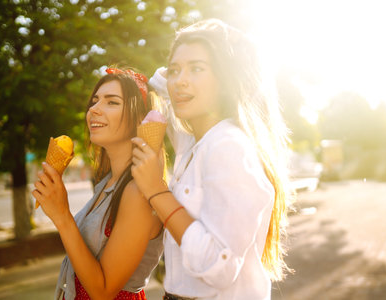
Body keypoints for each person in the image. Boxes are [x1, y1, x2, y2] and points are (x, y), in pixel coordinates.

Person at [131, 19, 292, 299]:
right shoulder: (193, 141)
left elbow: (218, 267)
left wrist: (157, 191)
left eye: (197, 69)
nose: (180, 80)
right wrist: (204, 35)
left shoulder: (227, 146)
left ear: (226, 81)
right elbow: (159, 81)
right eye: (175, 70)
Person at [32, 67, 164, 300]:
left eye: (112, 102)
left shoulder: (138, 190)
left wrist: (62, 216)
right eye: (94, 101)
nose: (93, 109)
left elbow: (102, 291)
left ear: (139, 117)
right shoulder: (107, 182)